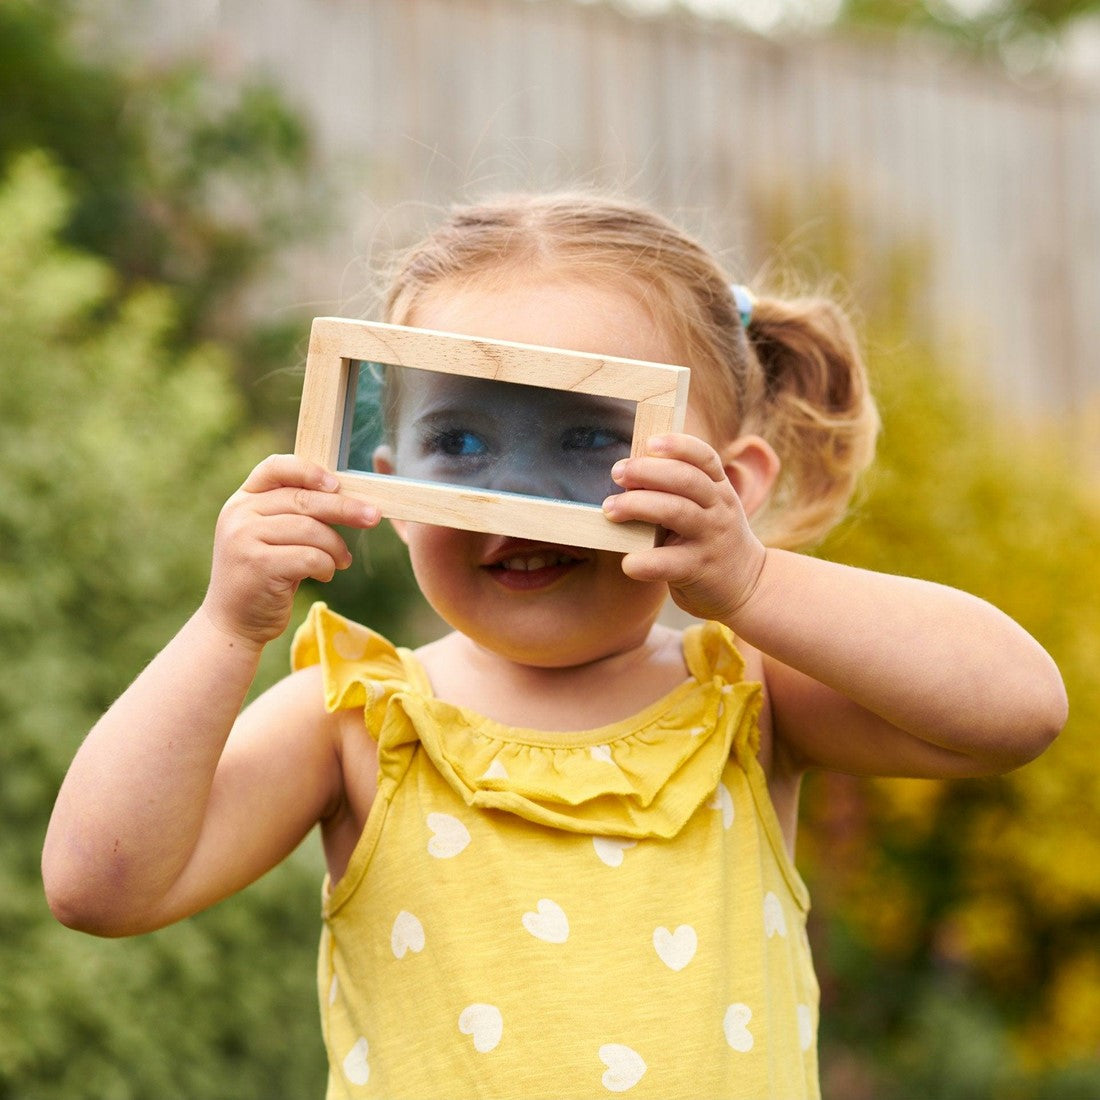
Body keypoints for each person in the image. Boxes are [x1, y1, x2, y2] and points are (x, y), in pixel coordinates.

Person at [42, 192, 1067, 1099]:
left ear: (733, 486)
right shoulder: (357, 715)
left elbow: (1016, 710)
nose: (522, 499)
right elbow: (100, 883)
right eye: (463, 445)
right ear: (388, 481)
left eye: (589, 438)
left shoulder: (742, 692)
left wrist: (749, 579)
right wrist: (225, 626)